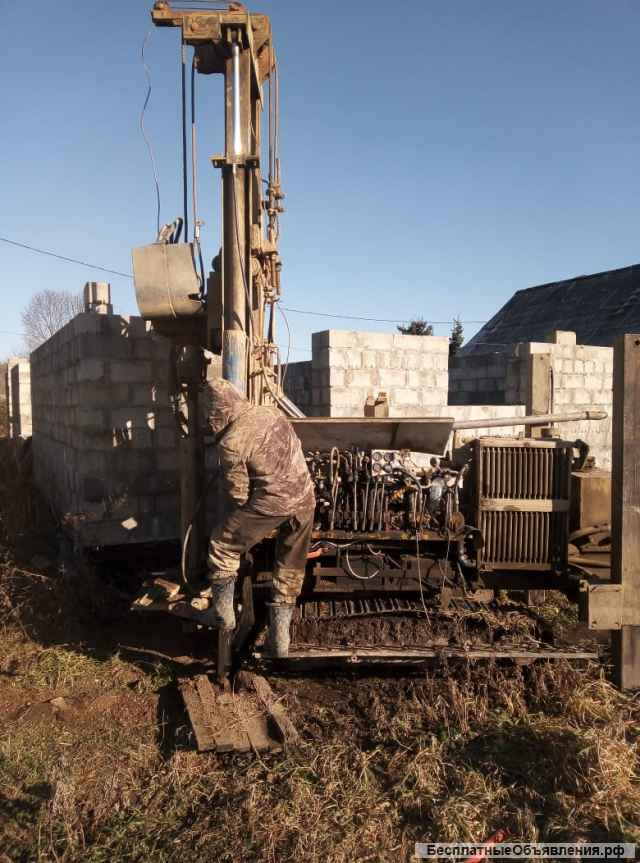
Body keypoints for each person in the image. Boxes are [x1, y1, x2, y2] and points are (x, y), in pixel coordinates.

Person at [199, 377, 315, 657]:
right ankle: (279, 643)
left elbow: (239, 495)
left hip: (272, 504)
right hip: (305, 499)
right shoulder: (271, 411)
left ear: (217, 411)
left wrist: (251, 525)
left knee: (221, 544)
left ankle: (223, 613)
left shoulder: (230, 441)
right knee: (289, 569)